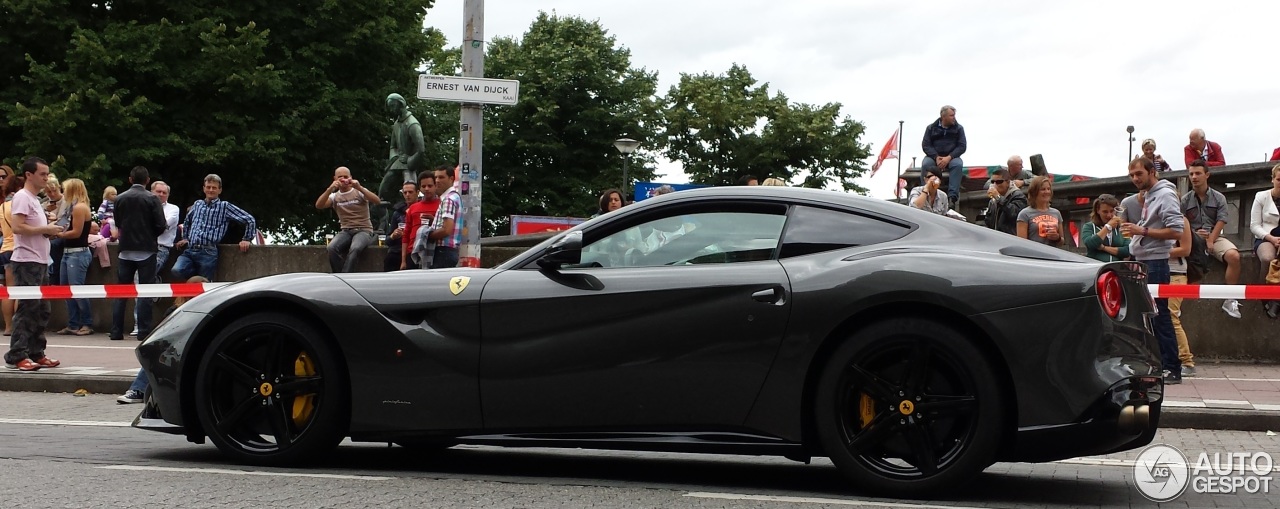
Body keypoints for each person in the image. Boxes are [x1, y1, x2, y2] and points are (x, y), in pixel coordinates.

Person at [1120, 156, 1184, 384]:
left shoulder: (1164, 194)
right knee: (1149, 316)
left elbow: (1176, 231)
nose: (1135, 179)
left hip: (1156, 263)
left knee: (1160, 315)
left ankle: (1172, 368)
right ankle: (1160, 365)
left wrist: (1142, 231)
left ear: (1151, 172)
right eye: (1132, 175)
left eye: (1139, 174)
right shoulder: (1150, 194)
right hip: (1145, 259)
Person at [3, 157, 64, 371]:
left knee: (42, 309)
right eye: (42, 174)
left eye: (47, 174)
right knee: (28, 308)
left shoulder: (34, 200)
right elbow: (18, 227)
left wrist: (48, 231)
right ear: (29, 175)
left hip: (39, 260)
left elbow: (30, 228)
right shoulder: (22, 197)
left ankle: (36, 351)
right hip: (26, 260)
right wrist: (45, 230)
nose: (46, 178)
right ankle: (17, 354)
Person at [118, 275, 208, 404]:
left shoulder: (209, 311)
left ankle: (141, 390)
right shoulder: (175, 310)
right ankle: (138, 390)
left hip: (198, 347)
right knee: (157, 355)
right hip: (177, 348)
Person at [109, 166, 167, 342]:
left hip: (125, 249)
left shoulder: (119, 198)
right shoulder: (152, 199)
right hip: (146, 249)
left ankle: (116, 331)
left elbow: (118, 222)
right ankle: (143, 331)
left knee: (121, 292)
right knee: (145, 291)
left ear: (130, 179)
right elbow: (161, 224)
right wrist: (150, 236)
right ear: (147, 180)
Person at [1182, 159, 1242, 318]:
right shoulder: (1185, 200)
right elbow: (1180, 222)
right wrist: (1194, 234)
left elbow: (1221, 220)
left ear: (1207, 175)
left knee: (1234, 256)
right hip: (1193, 239)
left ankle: (1230, 298)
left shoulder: (1219, 197)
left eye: (1198, 173)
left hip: (1214, 236)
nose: (1194, 177)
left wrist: (1210, 239)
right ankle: (1177, 301)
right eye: (1191, 174)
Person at [171, 174, 257, 281]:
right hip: (190, 249)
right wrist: (186, 238)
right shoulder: (197, 204)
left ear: (219, 190)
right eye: (208, 187)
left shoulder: (224, 206)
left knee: (204, 284)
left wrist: (246, 239)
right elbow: (187, 222)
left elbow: (249, 219)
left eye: (214, 188)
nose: (211, 190)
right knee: (177, 270)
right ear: (204, 188)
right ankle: (193, 276)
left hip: (208, 252)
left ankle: (197, 281)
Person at [316, 166, 381, 273]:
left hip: (363, 230)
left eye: (345, 177)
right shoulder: (334, 196)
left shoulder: (358, 192)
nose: (343, 179)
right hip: (346, 230)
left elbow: (377, 201)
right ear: (335, 179)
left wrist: (359, 187)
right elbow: (319, 205)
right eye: (340, 177)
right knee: (331, 248)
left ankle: (346, 275)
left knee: (355, 248)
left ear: (350, 177)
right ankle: (339, 274)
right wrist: (330, 189)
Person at [53, 179, 95, 336]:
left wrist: (57, 234)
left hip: (77, 252)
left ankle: (87, 323)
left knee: (77, 289)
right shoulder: (72, 207)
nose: (63, 193)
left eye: (65, 190)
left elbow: (76, 232)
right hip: (69, 252)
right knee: (66, 290)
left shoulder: (78, 208)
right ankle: (73, 323)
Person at [1167, 216, 1197, 377]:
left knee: (1172, 316)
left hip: (1176, 274)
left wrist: (1157, 251)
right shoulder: (1150, 219)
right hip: (1157, 272)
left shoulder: (1181, 220)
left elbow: (1185, 249)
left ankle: (1186, 360)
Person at [1249, 164, 1280, 319]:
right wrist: (1271, 238)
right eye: (1279, 179)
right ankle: (1265, 295)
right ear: (1273, 179)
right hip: (1265, 237)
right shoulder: (1261, 196)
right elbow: (1254, 225)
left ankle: (1277, 301)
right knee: (1268, 258)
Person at [920, 104, 967, 204]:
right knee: (926, 164)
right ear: (943, 116)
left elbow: (962, 146)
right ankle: (924, 191)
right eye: (951, 115)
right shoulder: (931, 128)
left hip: (952, 157)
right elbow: (926, 145)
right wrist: (936, 157)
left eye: (954, 115)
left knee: (957, 165)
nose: (954, 118)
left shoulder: (959, 129)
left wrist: (949, 157)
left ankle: (952, 198)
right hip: (933, 156)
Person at [400, 171, 439, 270]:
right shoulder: (413, 208)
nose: (426, 189)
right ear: (420, 189)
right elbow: (406, 235)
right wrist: (403, 261)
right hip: (412, 253)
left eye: (430, 186)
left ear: (435, 186)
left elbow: (446, 228)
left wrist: (433, 220)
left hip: (433, 251)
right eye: (424, 186)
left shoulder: (442, 204)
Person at [426, 166, 463, 269]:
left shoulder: (448, 199)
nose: (437, 180)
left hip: (444, 251)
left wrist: (427, 235)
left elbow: (447, 230)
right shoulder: (454, 197)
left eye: (441, 177)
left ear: (451, 179)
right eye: (436, 177)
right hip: (449, 251)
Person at [1016, 176, 1064, 246]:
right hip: (1033, 254)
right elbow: (1021, 243)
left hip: (1052, 255)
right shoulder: (1024, 214)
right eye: (1043, 189)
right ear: (1034, 192)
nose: (1047, 192)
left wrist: (1057, 238)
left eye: (1048, 189)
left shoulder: (1056, 213)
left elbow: (1062, 242)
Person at [1081, 194, 1129, 262]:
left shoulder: (1122, 228)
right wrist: (1107, 227)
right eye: (1105, 212)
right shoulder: (1089, 226)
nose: (1109, 215)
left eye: (1112, 211)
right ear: (1098, 211)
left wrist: (1104, 248)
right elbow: (1090, 244)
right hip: (1096, 267)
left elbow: (1127, 251)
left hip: (1116, 267)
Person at [982, 168, 1027, 235]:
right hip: (996, 238)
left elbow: (1014, 214)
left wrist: (998, 198)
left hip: (1010, 238)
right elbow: (988, 221)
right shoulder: (993, 200)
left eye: (999, 182)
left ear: (1008, 182)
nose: (995, 185)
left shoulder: (1018, 195)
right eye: (992, 182)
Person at [0, 165, 17, 336]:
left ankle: (8, 327)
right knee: (21, 291)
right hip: (18, 249)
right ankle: (19, 326)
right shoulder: (18, 204)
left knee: (8, 289)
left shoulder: (2, 206)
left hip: (5, 248)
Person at [384, 181, 415, 272]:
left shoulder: (420, 210)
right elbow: (388, 240)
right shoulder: (398, 213)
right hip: (396, 251)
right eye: (405, 192)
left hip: (413, 250)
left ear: (417, 192)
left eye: (410, 192)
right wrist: (393, 235)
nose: (407, 195)